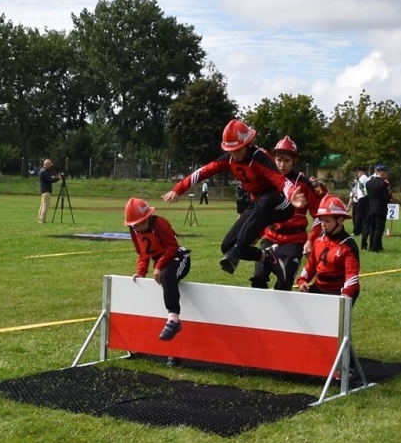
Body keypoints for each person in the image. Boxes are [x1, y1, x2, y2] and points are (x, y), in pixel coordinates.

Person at [160, 118, 292, 275]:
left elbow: (280, 180)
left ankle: (238, 250)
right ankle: (269, 257)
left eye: (238, 150)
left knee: (264, 202)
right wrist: (178, 189)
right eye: (231, 150)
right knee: (227, 246)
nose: (234, 154)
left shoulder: (259, 157)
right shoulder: (228, 160)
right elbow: (203, 172)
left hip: (280, 204)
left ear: (247, 144)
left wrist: (292, 194)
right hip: (258, 205)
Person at [249, 136, 322, 291]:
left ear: (294, 161)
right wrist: (254, 235)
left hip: (294, 240)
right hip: (271, 236)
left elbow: (318, 216)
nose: (282, 165)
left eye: (287, 160)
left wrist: (310, 240)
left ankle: (279, 315)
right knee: (258, 278)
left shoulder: (304, 184)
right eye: (279, 160)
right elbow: (262, 213)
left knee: (284, 282)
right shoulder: (267, 181)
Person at [125, 197, 191, 341]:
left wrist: (159, 266)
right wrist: (141, 272)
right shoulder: (134, 231)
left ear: (148, 217)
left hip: (179, 257)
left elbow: (172, 247)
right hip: (163, 264)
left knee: (167, 275)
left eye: (142, 222)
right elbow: (143, 253)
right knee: (165, 276)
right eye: (136, 224)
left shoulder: (160, 223)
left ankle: (174, 319)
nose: (139, 227)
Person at [295, 195, 361, 299]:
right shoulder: (318, 241)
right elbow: (311, 265)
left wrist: (345, 294)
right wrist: (302, 280)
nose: (323, 225)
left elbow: (352, 275)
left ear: (340, 220)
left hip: (340, 290)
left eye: (327, 221)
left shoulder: (348, 245)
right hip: (319, 288)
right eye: (322, 220)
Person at [363, 164, 394, 253]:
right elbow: (386, 197)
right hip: (380, 208)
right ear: (382, 172)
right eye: (385, 172)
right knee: (379, 228)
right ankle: (375, 247)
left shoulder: (369, 182)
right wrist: (389, 195)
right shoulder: (383, 183)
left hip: (371, 207)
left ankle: (371, 245)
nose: (387, 174)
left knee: (372, 227)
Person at [36, 159, 60, 224]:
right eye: (50, 165)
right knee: (45, 205)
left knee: (42, 205)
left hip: (43, 190)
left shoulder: (42, 170)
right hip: (46, 190)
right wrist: (57, 178)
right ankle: (42, 219)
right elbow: (50, 180)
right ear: (47, 165)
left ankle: (40, 218)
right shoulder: (44, 172)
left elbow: (48, 178)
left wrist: (53, 177)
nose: (51, 166)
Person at [349, 167, 370, 239]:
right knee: (364, 215)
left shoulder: (362, 178)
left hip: (362, 198)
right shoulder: (366, 178)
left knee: (359, 215)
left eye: (358, 173)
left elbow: (362, 188)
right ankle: (363, 230)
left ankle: (357, 231)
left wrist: (364, 195)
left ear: (361, 172)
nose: (357, 175)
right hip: (363, 198)